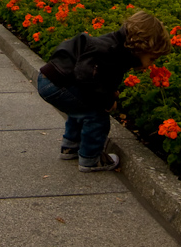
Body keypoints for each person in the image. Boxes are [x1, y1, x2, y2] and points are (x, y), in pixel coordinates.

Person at [37, 10, 171, 172]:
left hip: (51, 79)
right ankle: (90, 159)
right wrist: (107, 101)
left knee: (80, 109)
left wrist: (109, 93)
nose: (150, 64)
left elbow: (100, 78)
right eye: (152, 59)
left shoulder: (114, 45)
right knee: (96, 116)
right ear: (141, 46)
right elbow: (86, 77)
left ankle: (70, 147)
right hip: (59, 84)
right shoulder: (111, 50)